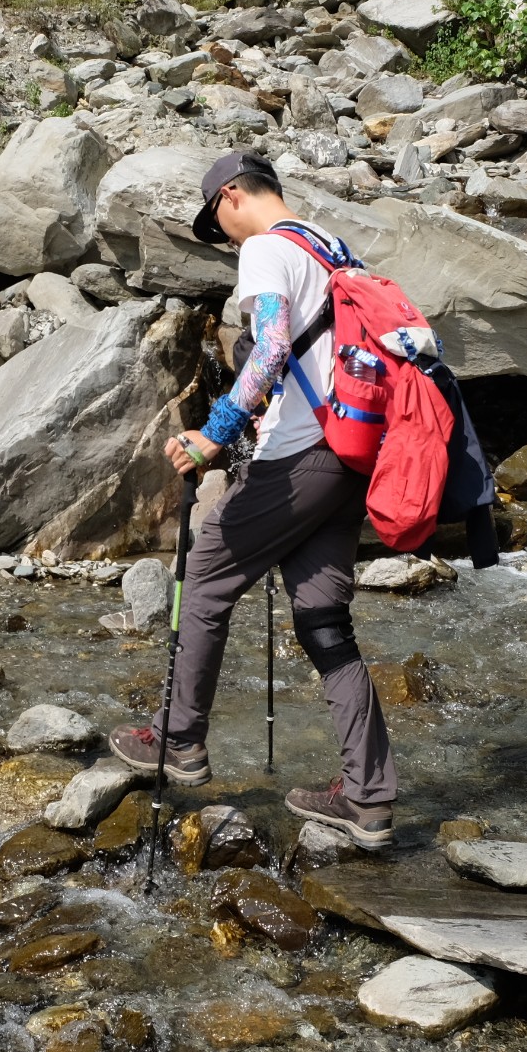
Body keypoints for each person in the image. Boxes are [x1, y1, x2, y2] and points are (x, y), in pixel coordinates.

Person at [108, 150, 397, 849]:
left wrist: (213, 435)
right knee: (324, 619)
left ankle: (178, 741)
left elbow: (268, 349)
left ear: (233, 195)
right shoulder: (335, 249)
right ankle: (367, 798)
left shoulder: (268, 248)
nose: (226, 235)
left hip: (300, 452)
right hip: (354, 451)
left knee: (203, 579)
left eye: (218, 220)